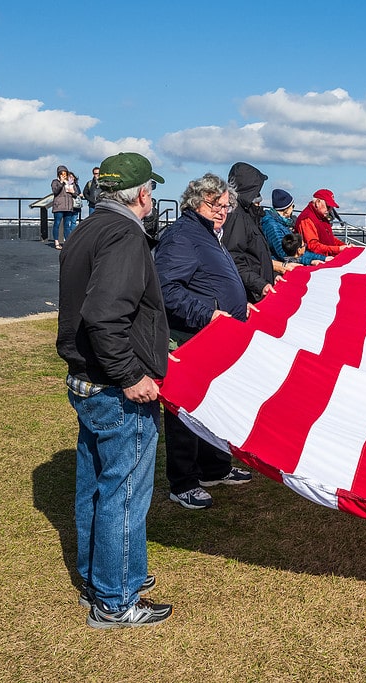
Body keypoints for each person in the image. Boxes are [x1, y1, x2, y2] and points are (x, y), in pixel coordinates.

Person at [56, 151, 173, 629]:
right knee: (124, 492)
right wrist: (131, 376)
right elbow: (105, 315)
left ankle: (102, 574)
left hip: (86, 381)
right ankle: (115, 599)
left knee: (96, 485)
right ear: (141, 195)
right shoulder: (125, 234)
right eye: (151, 191)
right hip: (113, 387)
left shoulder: (87, 226)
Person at [154, 173, 253, 510]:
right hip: (190, 337)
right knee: (186, 409)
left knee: (214, 405)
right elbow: (166, 288)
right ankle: (183, 482)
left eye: (226, 206)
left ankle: (214, 467)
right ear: (196, 201)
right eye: (215, 204)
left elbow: (211, 279)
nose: (222, 211)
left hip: (216, 336)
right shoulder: (183, 235)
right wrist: (208, 314)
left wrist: (241, 304)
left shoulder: (209, 233)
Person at [222, 162, 279, 303]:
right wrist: (260, 284)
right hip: (251, 293)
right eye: (257, 191)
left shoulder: (247, 215)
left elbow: (255, 257)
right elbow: (233, 258)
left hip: (257, 289)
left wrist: (273, 275)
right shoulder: (237, 217)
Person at [261, 189, 325, 267]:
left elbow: (295, 250)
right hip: (280, 268)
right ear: (287, 209)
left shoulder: (280, 223)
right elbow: (285, 255)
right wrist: (311, 261)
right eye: (292, 206)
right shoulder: (272, 226)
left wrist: (323, 258)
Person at [296, 189, 351, 258]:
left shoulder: (322, 216)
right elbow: (313, 247)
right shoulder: (307, 219)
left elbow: (329, 237)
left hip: (327, 258)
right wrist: (338, 249)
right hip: (316, 261)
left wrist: (344, 246)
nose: (330, 210)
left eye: (331, 207)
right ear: (317, 203)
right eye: (328, 206)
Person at [51, 165, 78, 249]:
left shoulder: (70, 182)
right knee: (57, 223)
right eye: (62, 173)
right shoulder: (55, 182)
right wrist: (61, 183)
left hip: (68, 206)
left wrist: (72, 191)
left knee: (67, 225)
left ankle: (67, 241)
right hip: (59, 206)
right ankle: (56, 242)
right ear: (58, 174)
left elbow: (76, 193)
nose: (64, 175)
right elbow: (55, 191)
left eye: (65, 173)